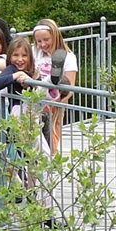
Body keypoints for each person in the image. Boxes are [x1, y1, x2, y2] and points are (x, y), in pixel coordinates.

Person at [0, 36, 53, 203]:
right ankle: (39, 201)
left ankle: (35, 196)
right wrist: (17, 75)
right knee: (38, 157)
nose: (20, 59)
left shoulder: (34, 72)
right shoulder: (11, 69)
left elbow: (38, 92)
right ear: (10, 56)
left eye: (24, 56)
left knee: (36, 159)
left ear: (30, 58)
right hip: (19, 118)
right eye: (16, 55)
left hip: (32, 117)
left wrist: (31, 83)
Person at [31, 19, 77, 151]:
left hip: (54, 106)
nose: (42, 44)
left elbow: (71, 89)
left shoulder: (69, 57)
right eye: (38, 41)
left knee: (50, 140)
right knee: (31, 140)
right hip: (34, 102)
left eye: (46, 39)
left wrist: (55, 103)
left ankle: (48, 167)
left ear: (55, 36)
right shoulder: (35, 52)